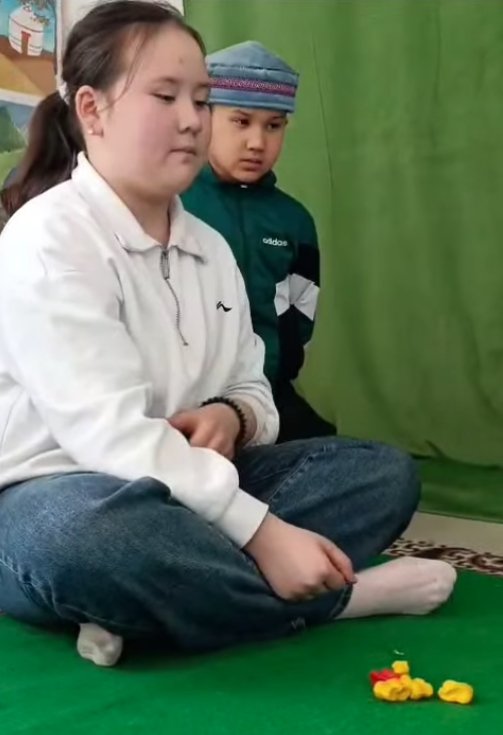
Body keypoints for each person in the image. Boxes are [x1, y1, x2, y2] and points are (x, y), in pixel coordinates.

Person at [0, 1, 456, 669]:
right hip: (58, 493)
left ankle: (156, 602)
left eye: (201, 98)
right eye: (165, 96)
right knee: (90, 541)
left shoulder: (209, 249)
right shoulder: (48, 238)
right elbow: (107, 435)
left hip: (196, 490)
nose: (193, 119)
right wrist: (262, 531)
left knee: (382, 475)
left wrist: (232, 415)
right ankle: (334, 599)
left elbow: (252, 382)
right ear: (93, 110)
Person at [182, 41, 335, 442]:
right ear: (204, 117)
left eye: (273, 126)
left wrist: (277, 371)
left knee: (356, 461)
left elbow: (300, 311)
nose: (257, 142)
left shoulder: (294, 221)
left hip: (267, 395)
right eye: (241, 121)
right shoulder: (171, 204)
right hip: (184, 397)